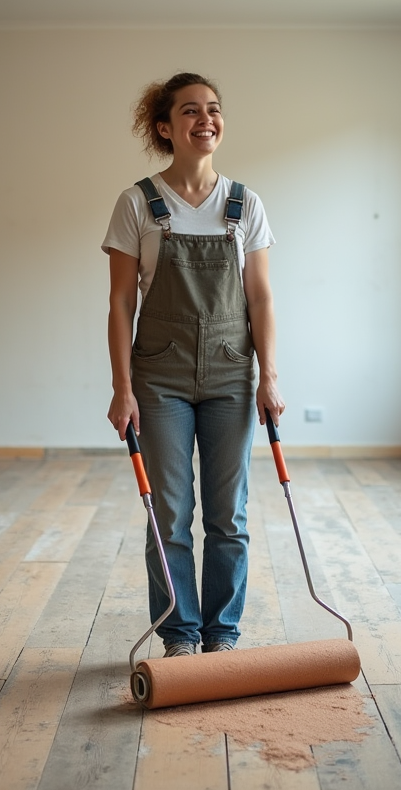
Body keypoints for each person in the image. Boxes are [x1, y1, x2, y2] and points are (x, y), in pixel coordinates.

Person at [103, 72, 285, 657]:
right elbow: (121, 303)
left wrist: (270, 377)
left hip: (233, 375)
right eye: (190, 111)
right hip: (160, 380)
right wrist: (121, 388)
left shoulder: (244, 203)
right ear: (165, 127)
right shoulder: (138, 203)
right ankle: (180, 636)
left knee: (228, 518)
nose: (205, 119)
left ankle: (222, 636)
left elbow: (260, 298)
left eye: (213, 109)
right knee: (170, 515)